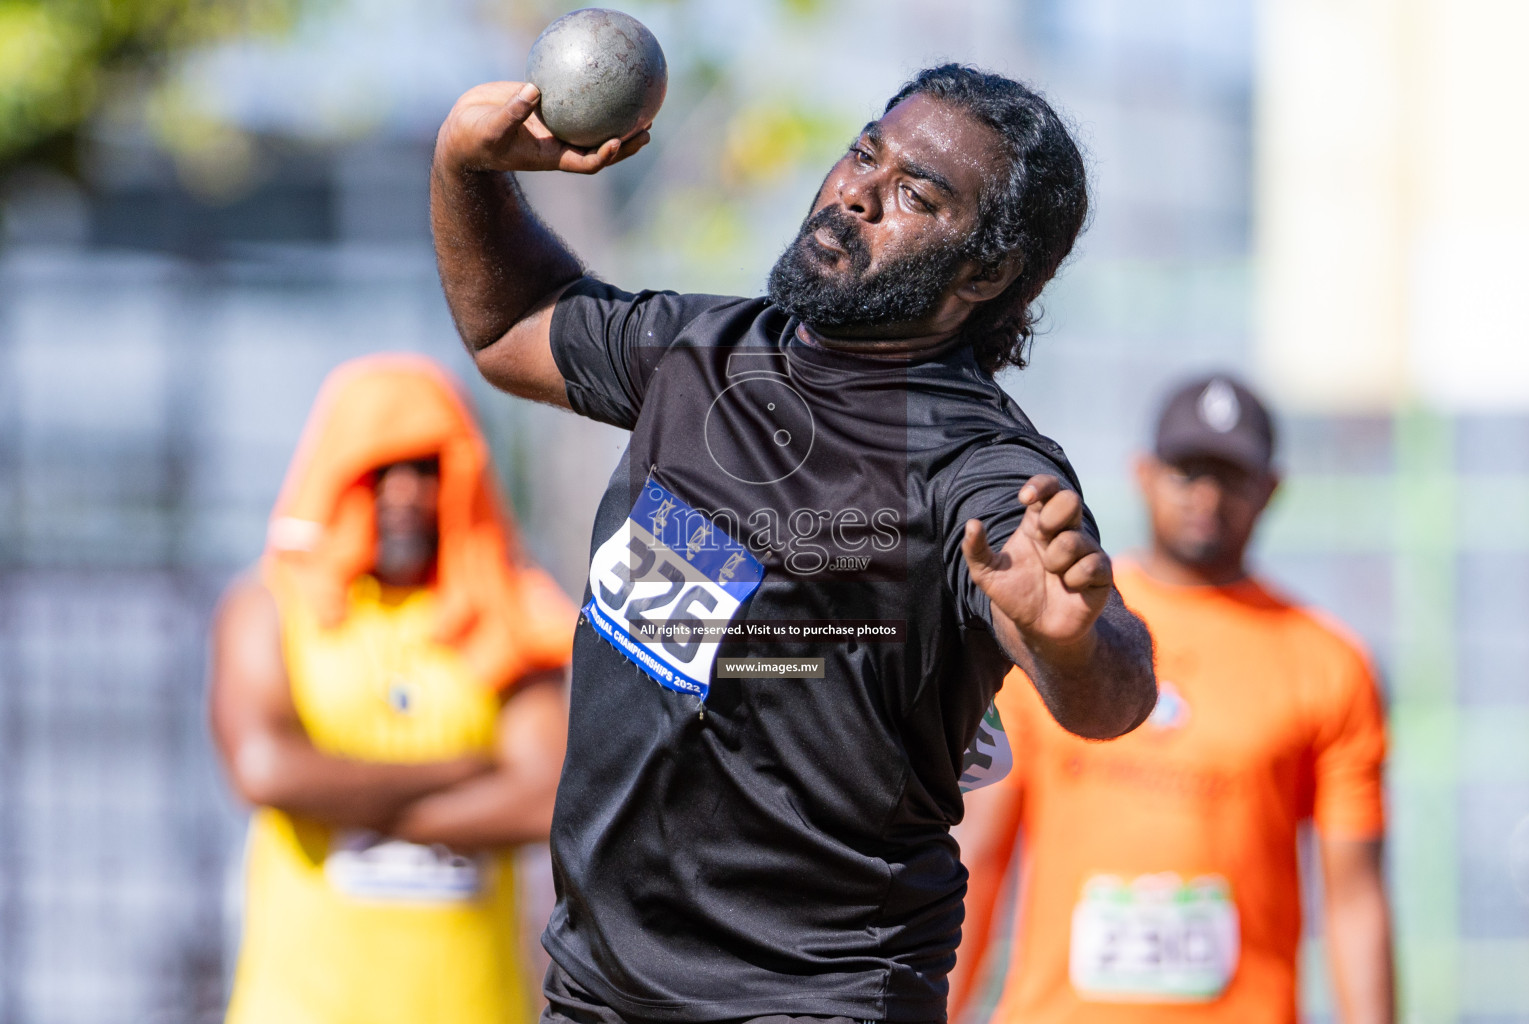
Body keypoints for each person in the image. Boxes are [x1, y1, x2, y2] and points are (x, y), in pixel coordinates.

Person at [429, 63, 1159, 1024]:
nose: (857, 191)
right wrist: (465, 166)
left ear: (984, 274)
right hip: (599, 992)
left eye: (912, 194)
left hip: (813, 998)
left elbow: (1112, 696)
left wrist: (1070, 640)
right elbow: (511, 326)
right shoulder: (702, 356)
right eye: (865, 151)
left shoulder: (975, 464)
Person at [950, 374, 1395, 1024]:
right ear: (1144, 474)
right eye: (1188, 472)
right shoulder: (1063, 628)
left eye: (1231, 476)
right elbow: (977, 857)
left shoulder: (1329, 664)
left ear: (1270, 490)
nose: (1207, 497)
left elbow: (1355, 898)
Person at [211, 354, 577, 1024]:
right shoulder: (271, 607)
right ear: (336, 474)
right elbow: (266, 770)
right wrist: (466, 768)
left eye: (425, 468)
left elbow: (545, 799)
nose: (404, 493)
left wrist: (344, 803)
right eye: (380, 469)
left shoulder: (508, 612)